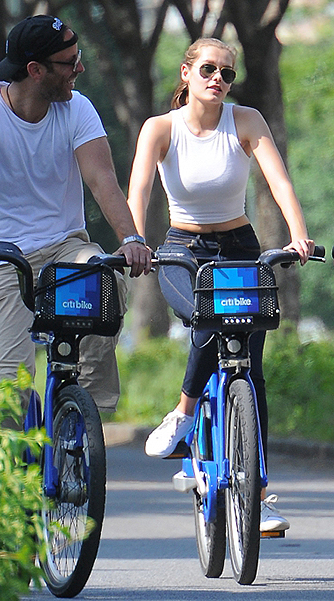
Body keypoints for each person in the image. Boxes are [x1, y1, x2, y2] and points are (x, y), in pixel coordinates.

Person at [127, 37, 314, 532]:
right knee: (208, 316)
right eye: (208, 69)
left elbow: (279, 182)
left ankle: (259, 496)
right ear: (186, 72)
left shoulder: (246, 121)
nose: (218, 79)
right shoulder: (160, 128)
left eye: (227, 73)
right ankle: (185, 413)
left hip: (238, 245)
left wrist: (298, 235)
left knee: (251, 369)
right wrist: (133, 241)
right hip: (181, 250)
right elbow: (139, 190)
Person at [0, 15, 152, 425]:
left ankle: (82, 413)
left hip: (64, 247)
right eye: (70, 62)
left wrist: (131, 238)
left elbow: (102, 180)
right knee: (14, 384)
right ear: (35, 70)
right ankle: (11, 460)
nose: (80, 68)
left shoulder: (78, 108)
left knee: (102, 276)